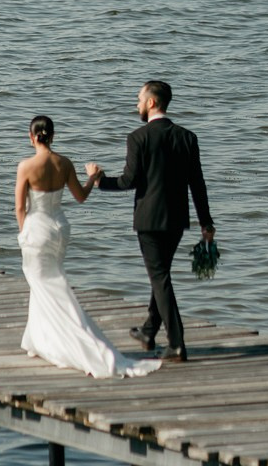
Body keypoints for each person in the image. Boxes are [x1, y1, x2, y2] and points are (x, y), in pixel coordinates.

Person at [16, 115, 161, 380]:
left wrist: (24, 231)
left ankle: (80, 342)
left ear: (31, 136)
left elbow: (18, 207)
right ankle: (37, 339)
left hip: (37, 229)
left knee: (43, 283)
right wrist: (93, 177)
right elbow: (80, 197)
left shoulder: (25, 166)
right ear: (53, 135)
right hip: (60, 228)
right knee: (49, 282)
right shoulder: (65, 163)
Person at [86, 79, 215, 362]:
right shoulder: (187, 137)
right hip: (177, 219)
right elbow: (198, 184)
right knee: (161, 275)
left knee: (160, 278)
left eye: (139, 99)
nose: (137, 104)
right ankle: (148, 331)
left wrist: (99, 182)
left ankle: (177, 343)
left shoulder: (138, 137)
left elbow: (129, 181)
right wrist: (207, 223)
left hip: (149, 220)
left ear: (152, 103)